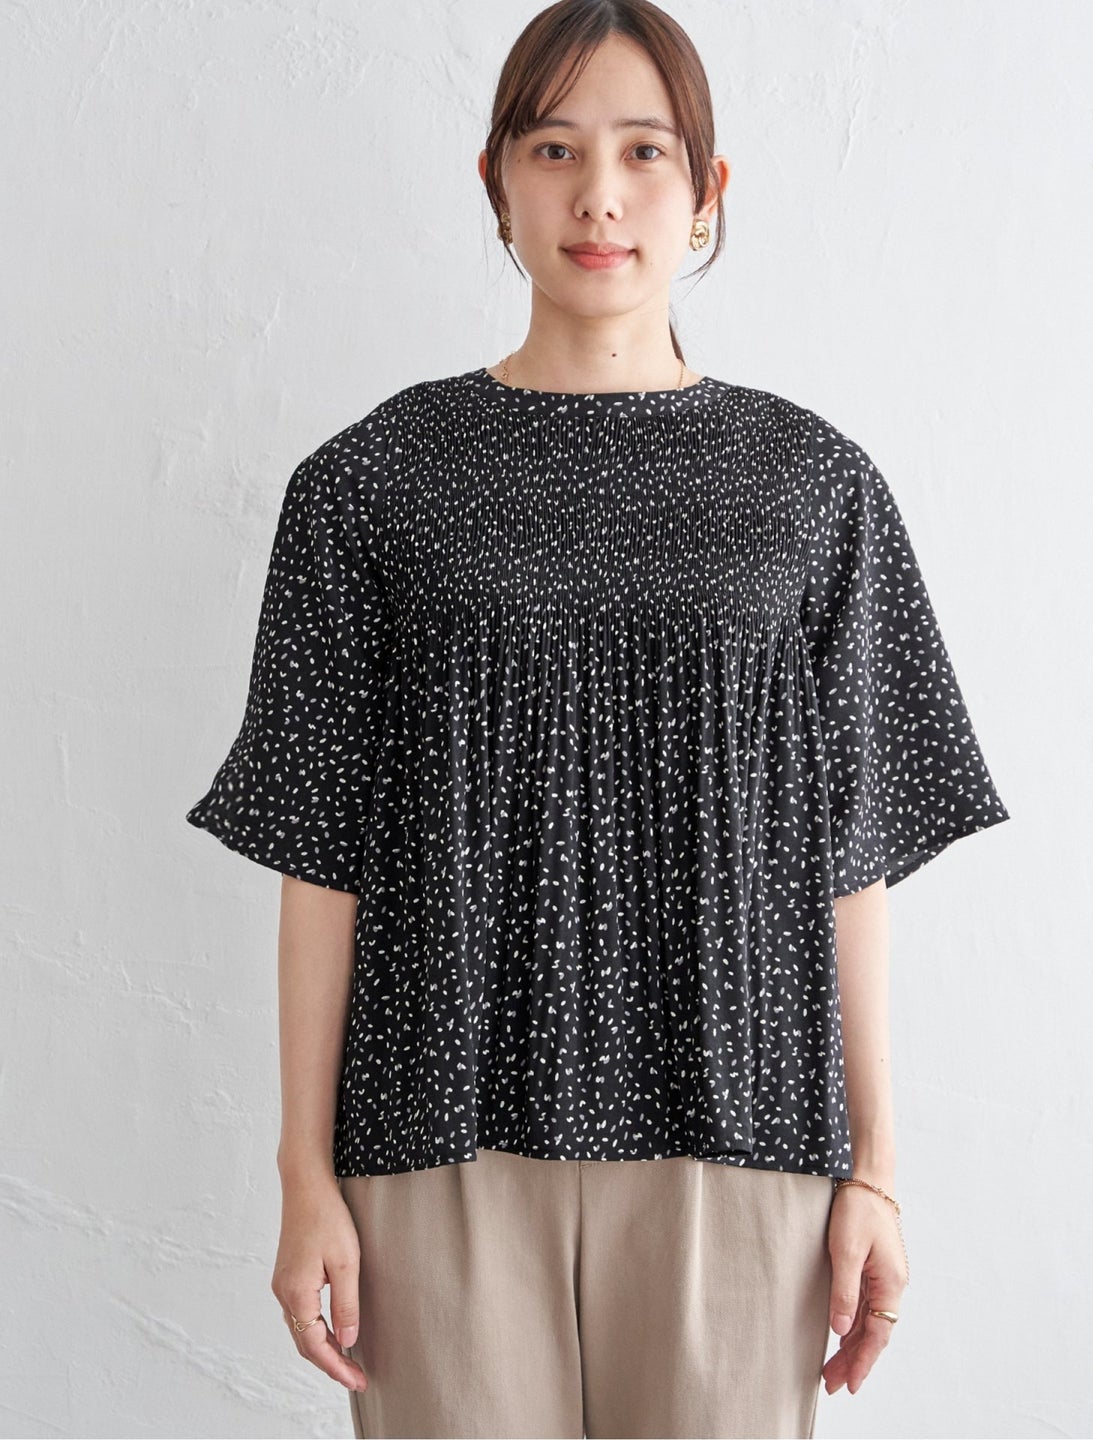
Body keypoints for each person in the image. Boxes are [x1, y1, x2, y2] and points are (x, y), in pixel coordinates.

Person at [185, 2, 1010, 1436]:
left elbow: (854, 856)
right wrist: (303, 1175)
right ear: (495, 179)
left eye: (644, 152)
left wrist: (876, 1172)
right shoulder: (370, 483)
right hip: (435, 1132)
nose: (600, 197)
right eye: (554, 149)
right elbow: (319, 859)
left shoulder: (811, 486)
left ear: (707, 189)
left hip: (739, 1136)